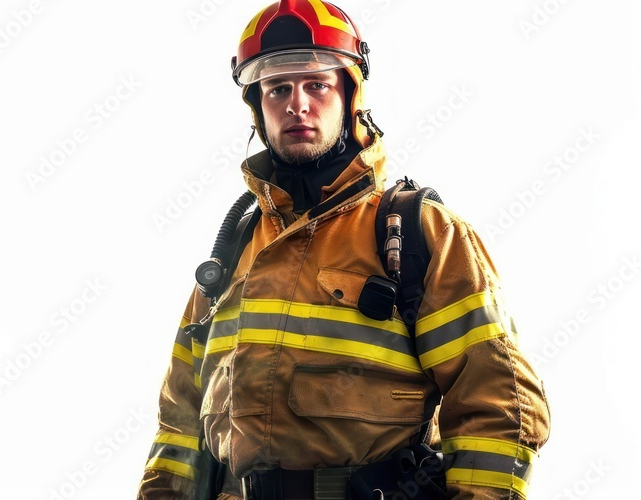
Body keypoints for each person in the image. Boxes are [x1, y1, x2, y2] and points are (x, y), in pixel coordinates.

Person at [136, 1, 550, 499]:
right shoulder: (233, 250)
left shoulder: (419, 233)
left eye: (317, 84)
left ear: (350, 95)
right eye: (277, 89)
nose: (297, 104)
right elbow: (179, 419)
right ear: (257, 105)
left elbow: (499, 406)